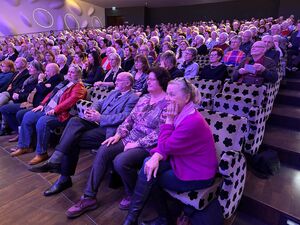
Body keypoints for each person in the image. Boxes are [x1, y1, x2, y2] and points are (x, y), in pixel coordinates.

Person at [64, 67, 171, 218]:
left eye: (151, 79)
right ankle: (89, 197)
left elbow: (161, 132)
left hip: (148, 144)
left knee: (120, 161)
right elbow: (130, 119)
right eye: (148, 79)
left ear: (162, 81)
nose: (148, 81)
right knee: (105, 148)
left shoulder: (168, 103)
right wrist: (119, 135)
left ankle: (132, 193)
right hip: (129, 137)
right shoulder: (144, 98)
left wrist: (137, 143)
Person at [123, 78, 218, 225]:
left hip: (198, 172)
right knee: (148, 165)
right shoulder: (183, 112)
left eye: (172, 94)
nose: (168, 98)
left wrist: (168, 120)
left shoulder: (191, 121)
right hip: (183, 159)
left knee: (150, 176)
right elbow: (167, 144)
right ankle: (137, 218)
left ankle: (153, 219)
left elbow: (166, 145)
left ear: (186, 98)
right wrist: (156, 155)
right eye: (167, 93)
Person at [29, 72, 139, 196]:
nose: (116, 82)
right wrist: (92, 110)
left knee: (71, 140)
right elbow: (99, 103)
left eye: (119, 80)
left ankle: (62, 176)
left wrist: (100, 117)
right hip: (96, 122)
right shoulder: (114, 92)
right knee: (75, 120)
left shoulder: (133, 97)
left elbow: (125, 117)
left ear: (128, 83)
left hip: (110, 130)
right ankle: (57, 163)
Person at [10, 65, 87, 165]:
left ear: (78, 75)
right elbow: (51, 94)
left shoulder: (79, 87)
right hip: (48, 108)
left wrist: (56, 109)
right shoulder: (65, 82)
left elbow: (70, 101)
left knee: (43, 122)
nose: (69, 73)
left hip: (62, 114)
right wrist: (42, 104)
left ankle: (41, 153)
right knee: (28, 115)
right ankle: (25, 146)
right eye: (69, 71)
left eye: (72, 72)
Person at [0, 63, 62, 142]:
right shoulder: (38, 78)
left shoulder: (51, 79)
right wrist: (18, 93)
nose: (45, 72)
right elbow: (23, 88)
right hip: (29, 101)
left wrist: (40, 81)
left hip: (36, 104)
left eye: (31, 67)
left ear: (53, 72)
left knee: (19, 113)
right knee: (5, 108)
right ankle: (20, 132)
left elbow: (42, 91)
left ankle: (24, 136)